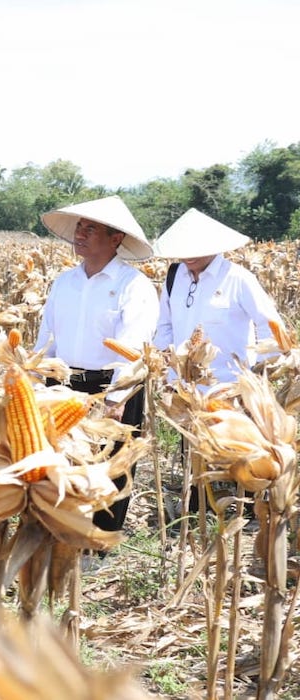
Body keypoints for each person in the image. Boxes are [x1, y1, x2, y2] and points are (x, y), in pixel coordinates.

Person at [34, 195, 158, 539]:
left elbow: (132, 347)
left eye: (90, 228)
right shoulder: (64, 282)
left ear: (115, 239)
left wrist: (117, 398)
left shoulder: (133, 286)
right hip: (64, 384)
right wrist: (32, 378)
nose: (80, 234)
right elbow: (47, 338)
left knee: (111, 466)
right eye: (79, 227)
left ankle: (103, 539)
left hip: (111, 386)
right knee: (64, 460)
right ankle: (66, 530)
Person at [153, 208, 283, 384]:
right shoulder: (173, 278)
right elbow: (164, 325)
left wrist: (260, 372)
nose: (188, 256)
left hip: (230, 385)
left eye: (196, 248)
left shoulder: (238, 278)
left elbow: (269, 325)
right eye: (183, 249)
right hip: (181, 388)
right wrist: (167, 364)